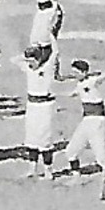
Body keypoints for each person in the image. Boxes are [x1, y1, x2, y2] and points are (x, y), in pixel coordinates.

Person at [63, 59, 105, 182]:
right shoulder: (79, 84)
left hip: (97, 121)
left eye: (77, 72)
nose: (75, 75)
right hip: (86, 121)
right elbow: (72, 94)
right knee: (71, 151)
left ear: (84, 72)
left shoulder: (92, 81)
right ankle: (76, 177)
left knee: (101, 157)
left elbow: (101, 78)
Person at [18, 43, 59, 179]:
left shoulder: (48, 69)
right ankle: (32, 169)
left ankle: (48, 170)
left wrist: (50, 37)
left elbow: (55, 52)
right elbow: (15, 59)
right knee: (31, 138)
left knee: (45, 138)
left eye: (32, 61)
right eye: (28, 61)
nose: (30, 64)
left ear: (39, 59)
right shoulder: (27, 69)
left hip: (45, 107)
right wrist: (31, 51)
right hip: (32, 106)